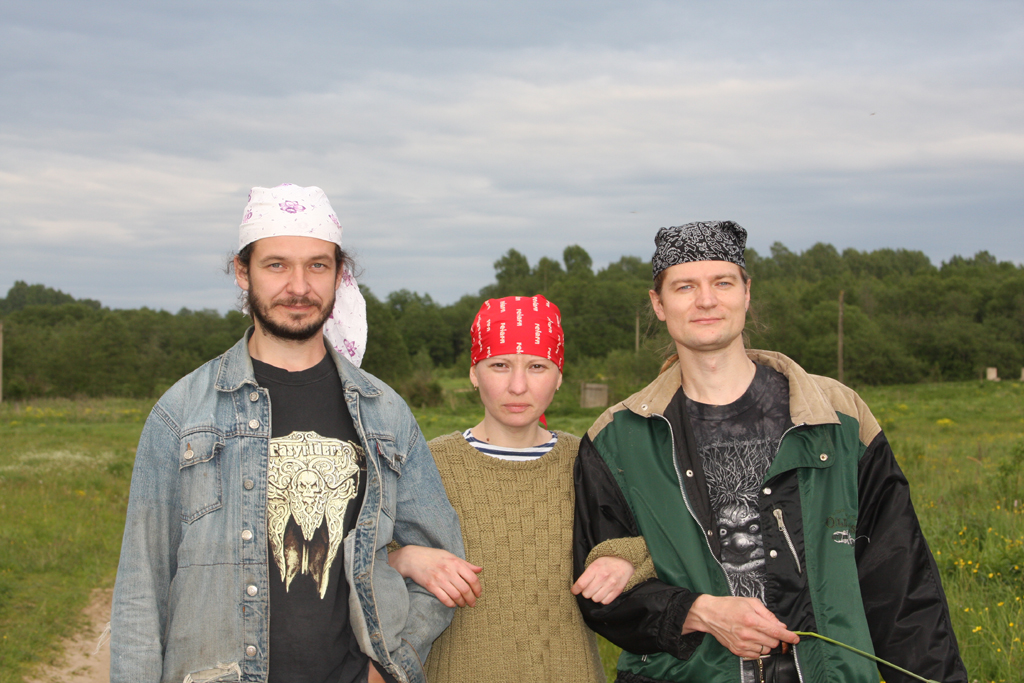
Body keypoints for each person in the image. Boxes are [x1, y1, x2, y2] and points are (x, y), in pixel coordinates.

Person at [572, 221, 968, 683]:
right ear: (658, 304)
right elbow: (601, 597)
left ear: (747, 292)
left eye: (723, 282)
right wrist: (696, 612)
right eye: (685, 287)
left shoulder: (839, 418)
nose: (706, 300)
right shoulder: (617, 439)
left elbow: (900, 581)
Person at [109, 184, 464, 683]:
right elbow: (140, 591)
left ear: (339, 274)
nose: (299, 286)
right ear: (242, 271)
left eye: (317, 265)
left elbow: (443, 565)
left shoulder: (385, 414)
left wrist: (387, 668)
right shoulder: (182, 411)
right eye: (276, 265)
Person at [387, 295, 648, 683]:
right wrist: (406, 559)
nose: (518, 386)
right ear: (474, 373)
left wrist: (628, 559)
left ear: (559, 376)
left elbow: (666, 542)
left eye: (537, 366)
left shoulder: (591, 462)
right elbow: (361, 566)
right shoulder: (427, 463)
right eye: (500, 365)